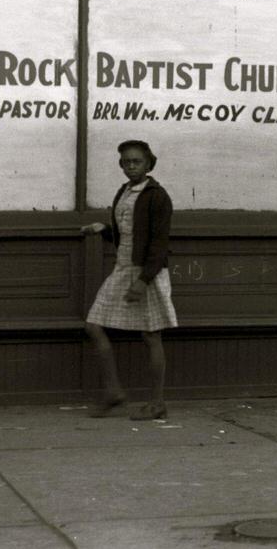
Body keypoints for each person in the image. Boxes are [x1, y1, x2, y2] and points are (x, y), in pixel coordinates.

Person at [81, 140, 176, 420]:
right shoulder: (124, 192)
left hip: (147, 272)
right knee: (94, 326)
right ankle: (113, 392)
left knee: (151, 335)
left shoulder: (157, 196)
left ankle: (157, 403)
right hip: (123, 269)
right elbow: (130, 234)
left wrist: (143, 280)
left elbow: (159, 245)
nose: (131, 166)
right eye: (126, 162)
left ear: (149, 164)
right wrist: (104, 230)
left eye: (137, 161)